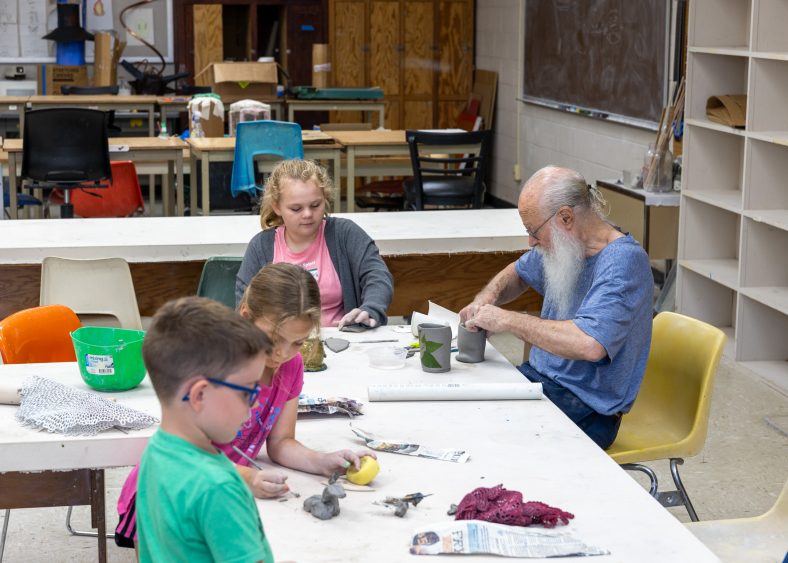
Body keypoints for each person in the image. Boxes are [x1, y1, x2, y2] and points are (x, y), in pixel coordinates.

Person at [115, 263, 373, 547]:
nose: (282, 353)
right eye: (274, 339)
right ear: (246, 316)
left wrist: (321, 461)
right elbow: (183, 453)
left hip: (220, 490)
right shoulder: (216, 365)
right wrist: (247, 477)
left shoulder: (291, 366)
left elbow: (281, 441)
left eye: (297, 342)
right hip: (169, 494)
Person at [460, 166, 653, 449]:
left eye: (534, 231)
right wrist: (486, 298)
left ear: (565, 217)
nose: (531, 242)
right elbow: (518, 271)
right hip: (543, 382)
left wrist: (507, 321)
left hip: (587, 408)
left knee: (485, 437)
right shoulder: (569, 245)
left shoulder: (623, 263)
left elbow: (589, 344)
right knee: (462, 402)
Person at [135, 296, 274, 562]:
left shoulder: (155, 452)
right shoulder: (219, 487)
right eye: (248, 391)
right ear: (198, 395)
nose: (255, 404)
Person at [236, 159, 393, 329]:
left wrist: (371, 308)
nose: (308, 214)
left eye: (315, 205)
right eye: (296, 209)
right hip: (283, 346)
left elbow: (377, 275)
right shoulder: (261, 246)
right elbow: (244, 300)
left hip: (344, 341)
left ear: (325, 198)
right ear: (277, 207)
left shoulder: (345, 234)